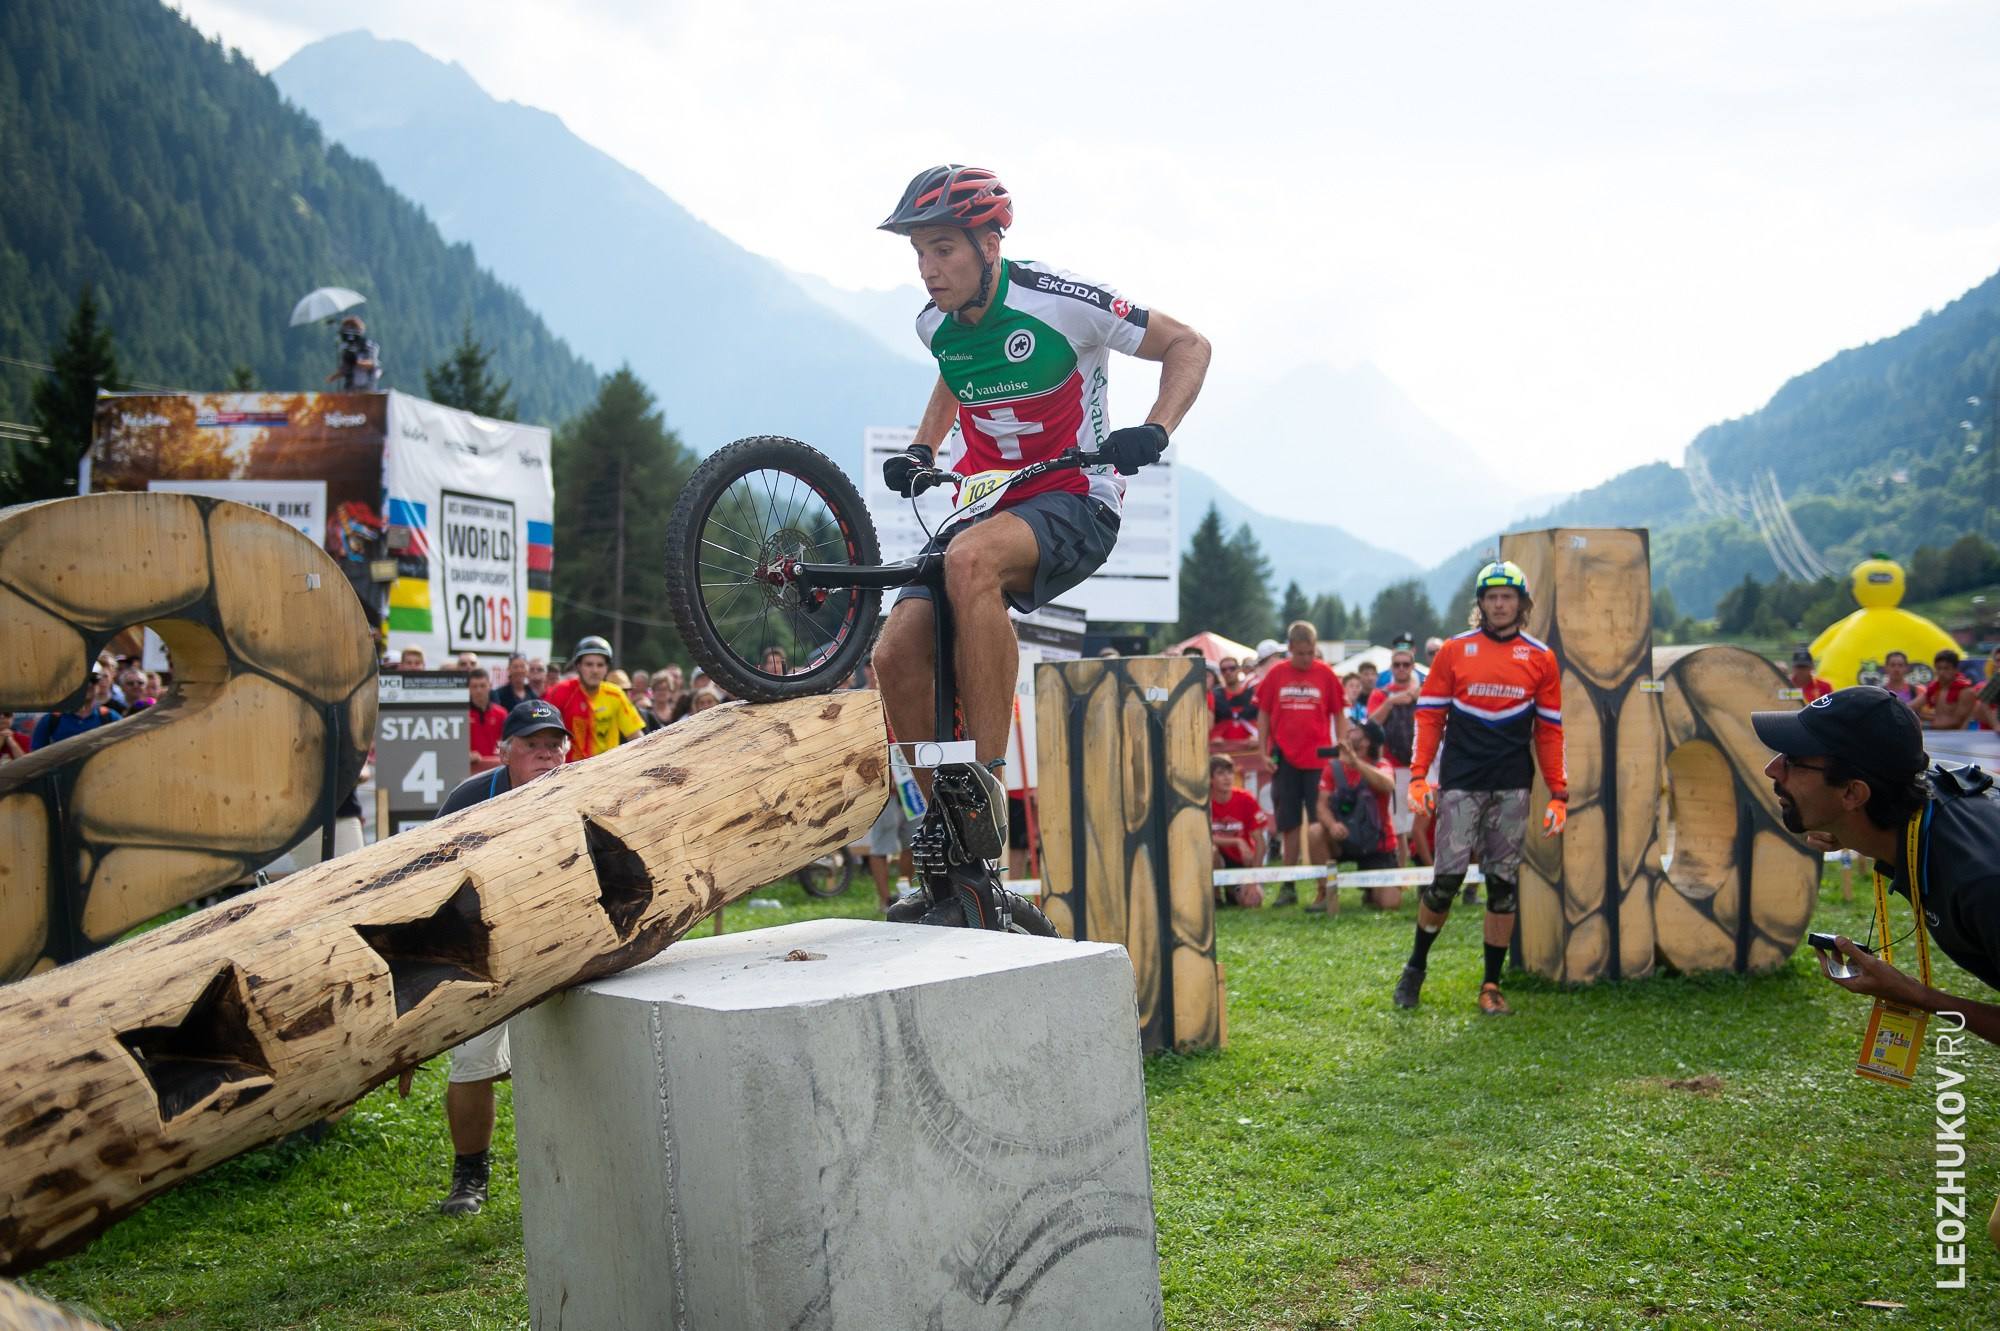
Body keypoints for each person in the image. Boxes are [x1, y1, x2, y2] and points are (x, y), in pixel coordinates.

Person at [870, 164, 1209, 823]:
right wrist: (922, 445)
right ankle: (947, 818)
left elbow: (1190, 345)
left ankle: (986, 787)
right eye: (919, 253)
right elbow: (955, 371)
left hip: (1076, 496)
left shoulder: (1059, 300)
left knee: (970, 562)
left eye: (943, 249)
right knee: (895, 651)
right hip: (986, 504)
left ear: (988, 245)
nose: (928, 269)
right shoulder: (933, 323)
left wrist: (1156, 428)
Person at [1754, 686, 2000, 1246]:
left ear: (1854, 791)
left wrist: (1921, 997)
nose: (1772, 769)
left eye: (1793, 762)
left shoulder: (1983, 883)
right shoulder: (1914, 812)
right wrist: (1845, 829)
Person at [417, 700, 571, 1215]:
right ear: (505, 752)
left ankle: (573, 1168)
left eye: (555, 745)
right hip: (481, 947)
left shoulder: (587, 786)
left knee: (576, 1057)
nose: (546, 756)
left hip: (565, 942)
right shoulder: (469, 798)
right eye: (532, 746)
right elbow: (430, 880)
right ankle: (470, 1178)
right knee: (471, 1062)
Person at [1395, 561, 1566, 1016]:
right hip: (1460, 784)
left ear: (1522, 603)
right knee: (1445, 882)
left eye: (1507, 596)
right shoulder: (1453, 651)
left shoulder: (1540, 658)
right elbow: (1428, 717)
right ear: (1481, 604)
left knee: (1502, 886)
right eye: (1491, 597)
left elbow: (1550, 732)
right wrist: (1417, 775)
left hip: (1513, 787)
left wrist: (1559, 793)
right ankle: (1415, 968)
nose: (1499, 604)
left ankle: (1491, 985)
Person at [1254, 620, 1347, 903]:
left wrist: (1341, 749)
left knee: (1319, 824)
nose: (1306, 659)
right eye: (1301, 653)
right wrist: (1262, 751)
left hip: (1319, 760)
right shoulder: (1276, 674)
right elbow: (1264, 714)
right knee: (1289, 823)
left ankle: (1324, 888)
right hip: (1286, 759)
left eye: (1311, 652)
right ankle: (1289, 885)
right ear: (1290, 648)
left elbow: (1339, 713)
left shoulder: (1327, 674)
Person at [1308, 719, 1401, 912]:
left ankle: (1370, 891)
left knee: (1389, 903)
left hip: (1378, 844)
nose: (1349, 730)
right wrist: (1332, 825)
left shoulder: (1382, 765)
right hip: (1343, 839)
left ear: (1366, 742)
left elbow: (1388, 785)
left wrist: (1356, 763)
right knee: (1315, 831)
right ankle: (1325, 893)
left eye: (1356, 729)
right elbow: (1321, 806)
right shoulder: (1333, 767)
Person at [1369, 646, 1428, 866]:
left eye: (1406, 664)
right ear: (1391, 668)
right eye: (1397, 664)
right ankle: (1401, 875)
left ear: (1413, 667)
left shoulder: (1425, 693)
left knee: (1423, 822)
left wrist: (1419, 696)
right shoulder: (1381, 694)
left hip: (1422, 766)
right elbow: (1371, 725)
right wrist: (1392, 702)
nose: (1401, 668)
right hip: (1394, 766)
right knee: (1399, 825)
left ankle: (1426, 873)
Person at [541, 635, 644, 761]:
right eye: (589, 664)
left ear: (607, 668)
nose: (595, 670)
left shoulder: (616, 694)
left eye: (600, 665)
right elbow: (542, 729)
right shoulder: (561, 690)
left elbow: (637, 737)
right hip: (568, 772)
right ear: (578, 666)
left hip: (607, 771)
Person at [1207, 754, 1267, 908]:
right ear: (1209, 779)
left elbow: (1260, 843)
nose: (1227, 778)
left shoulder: (1246, 799)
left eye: (1230, 772)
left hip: (1242, 863)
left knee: (1253, 901)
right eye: (1220, 773)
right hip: (1217, 860)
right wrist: (1237, 840)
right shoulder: (1204, 803)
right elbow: (1202, 836)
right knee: (1210, 849)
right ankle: (1216, 898)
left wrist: (1253, 879)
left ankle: (1234, 892)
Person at [32, 666, 119, 748]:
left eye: (93, 679)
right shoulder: (51, 720)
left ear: (99, 684)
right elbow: (35, 758)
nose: (88, 685)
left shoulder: (111, 718)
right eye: (81, 679)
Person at [1920, 649, 1978, 730]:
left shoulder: (1966, 691)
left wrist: (1925, 726)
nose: (1942, 673)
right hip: (1936, 736)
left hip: (1958, 738)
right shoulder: (1934, 688)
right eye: (1938, 668)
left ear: (1956, 669)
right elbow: (1911, 706)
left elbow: (1956, 722)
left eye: (1946, 668)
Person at [326, 315, 382, 391]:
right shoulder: (346, 349)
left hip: (366, 389)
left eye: (352, 328)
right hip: (350, 389)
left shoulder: (368, 346)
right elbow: (344, 368)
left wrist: (357, 361)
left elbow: (372, 364)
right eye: (347, 329)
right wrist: (333, 377)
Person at [466, 669, 505, 775]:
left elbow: (508, 742)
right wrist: (465, 755)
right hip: (471, 771)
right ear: (468, 688)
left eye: (482, 686)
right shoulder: (463, 715)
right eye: (474, 686)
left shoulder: (501, 713)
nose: (479, 690)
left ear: (489, 685)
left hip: (496, 769)